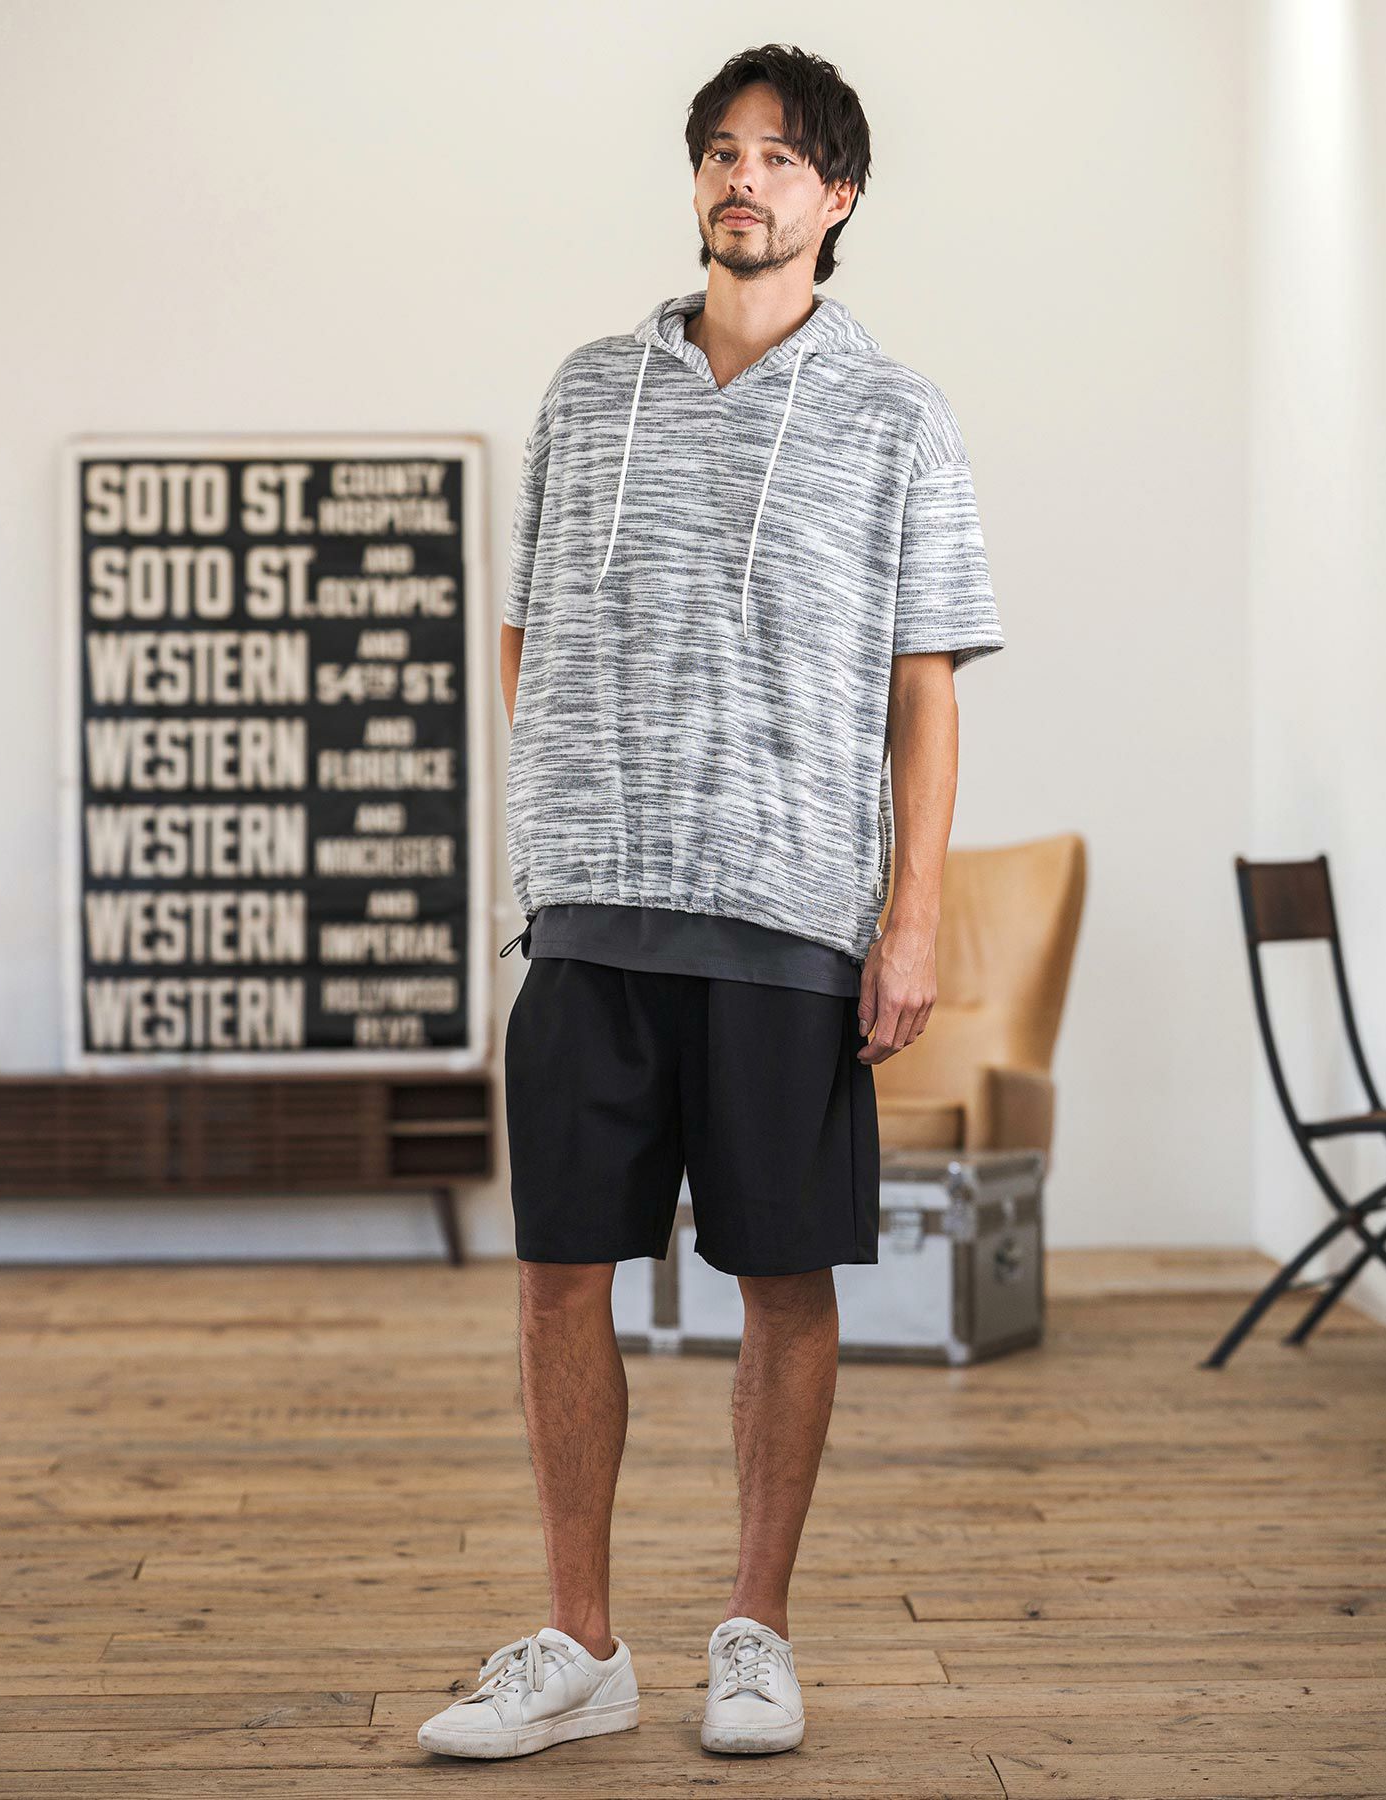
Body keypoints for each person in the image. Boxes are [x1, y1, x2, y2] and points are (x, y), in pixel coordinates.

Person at [418, 40, 1004, 1764]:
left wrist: (909, 920)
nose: (744, 178)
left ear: (840, 198)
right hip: (590, 917)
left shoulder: (899, 418)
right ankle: (581, 1644)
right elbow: (523, 627)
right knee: (556, 1276)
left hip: (787, 917)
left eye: (781, 157)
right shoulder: (588, 390)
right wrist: (574, 803)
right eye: (722, 151)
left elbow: (924, 690)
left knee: (783, 1281)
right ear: (697, 181)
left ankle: (755, 1632)